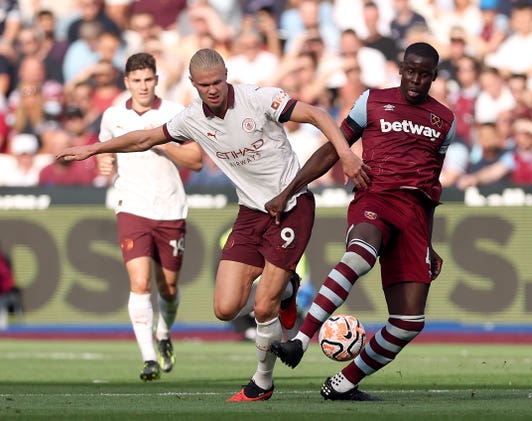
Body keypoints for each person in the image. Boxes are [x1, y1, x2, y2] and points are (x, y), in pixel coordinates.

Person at [55, 48, 367, 401]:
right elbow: (144, 138)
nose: (213, 89)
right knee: (224, 308)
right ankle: (288, 290)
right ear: (194, 85)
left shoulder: (257, 98)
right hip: (251, 212)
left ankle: (262, 382)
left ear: (226, 75)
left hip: (291, 205)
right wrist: (94, 149)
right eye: (205, 85)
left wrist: (345, 152)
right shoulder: (191, 119)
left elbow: (316, 113)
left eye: (218, 81)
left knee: (264, 307)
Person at [267, 42, 454, 401]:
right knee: (359, 256)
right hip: (376, 198)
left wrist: (428, 243)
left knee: (408, 323)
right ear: (400, 69)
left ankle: (343, 383)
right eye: (410, 71)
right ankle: (300, 342)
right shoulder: (372, 101)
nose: (416, 80)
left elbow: (432, 187)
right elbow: (332, 148)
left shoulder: (444, 120)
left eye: (424, 75)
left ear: (433, 76)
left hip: (414, 217)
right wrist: (290, 189)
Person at [96, 52, 203, 381]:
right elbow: (106, 152)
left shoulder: (174, 114)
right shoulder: (113, 116)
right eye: (136, 80)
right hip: (132, 206)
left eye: (148, 79)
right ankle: (148, 358)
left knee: (167, 287)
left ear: (156, 80)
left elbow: (196, 160)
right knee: (139, 282)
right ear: (127, 82)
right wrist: (105, 163)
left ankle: (164, 333)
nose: (143, 86)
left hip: (170, 208)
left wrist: (158, 141)